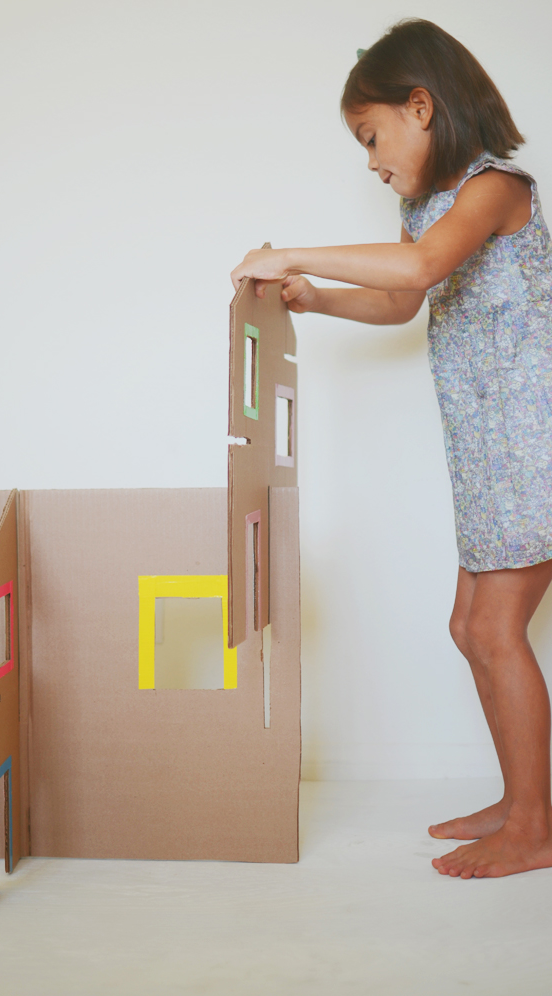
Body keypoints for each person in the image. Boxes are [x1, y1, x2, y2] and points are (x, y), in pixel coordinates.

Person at [231, 18, 552, 879]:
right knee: (470, 626)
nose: (370, 161)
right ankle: (527, 800)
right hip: (489, 446)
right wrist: (314, 298)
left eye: (372, 137)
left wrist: (291, 246)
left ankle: (534, 827)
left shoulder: (494, 188)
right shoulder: (423, 207)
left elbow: (416, 272)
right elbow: (403, 303)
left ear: (422, 106)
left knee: (493, 628)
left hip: (535, 443)